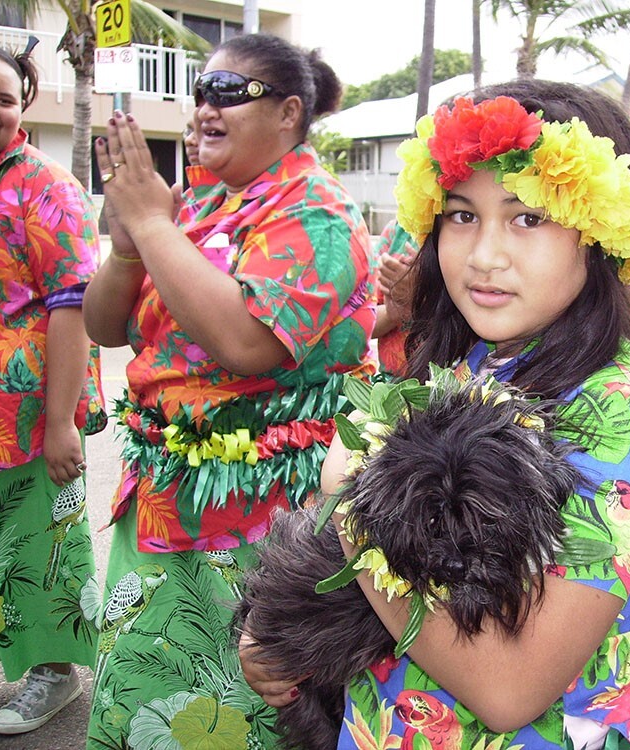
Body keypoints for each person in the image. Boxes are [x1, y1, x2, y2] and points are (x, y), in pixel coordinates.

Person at [242, 79, 630, 750]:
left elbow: (509, 689)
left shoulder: (623, 424)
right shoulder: (469, 360)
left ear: (599, 231)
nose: (484, 256)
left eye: (527, 217)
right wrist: (276, 625)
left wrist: (349, 512)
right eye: (460, 214)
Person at [82, 33, 375, 748]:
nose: (206, 107)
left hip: (262, 522)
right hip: (161, 499)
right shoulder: (198, 202)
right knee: (145, 692)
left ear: (288, 112)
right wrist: (130, 241)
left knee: (246, 708)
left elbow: (250, 343)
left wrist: (152, 223)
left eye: (229, 92)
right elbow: (106, 325)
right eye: (201, 91)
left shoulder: (317, 214)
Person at [0, 41, 106, 734]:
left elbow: (70, 303)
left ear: (24, 107)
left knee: (38, 537)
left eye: (5, 99)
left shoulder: (43, 185)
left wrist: (61, 422)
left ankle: (54, 674)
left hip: (19, 406)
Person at [370, 218, 417, 378]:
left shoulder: (457, 233)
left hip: (450, 386)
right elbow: (363, 321)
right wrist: (395, 312)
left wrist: (423, 295)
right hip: (390, 382)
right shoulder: (396, 232)